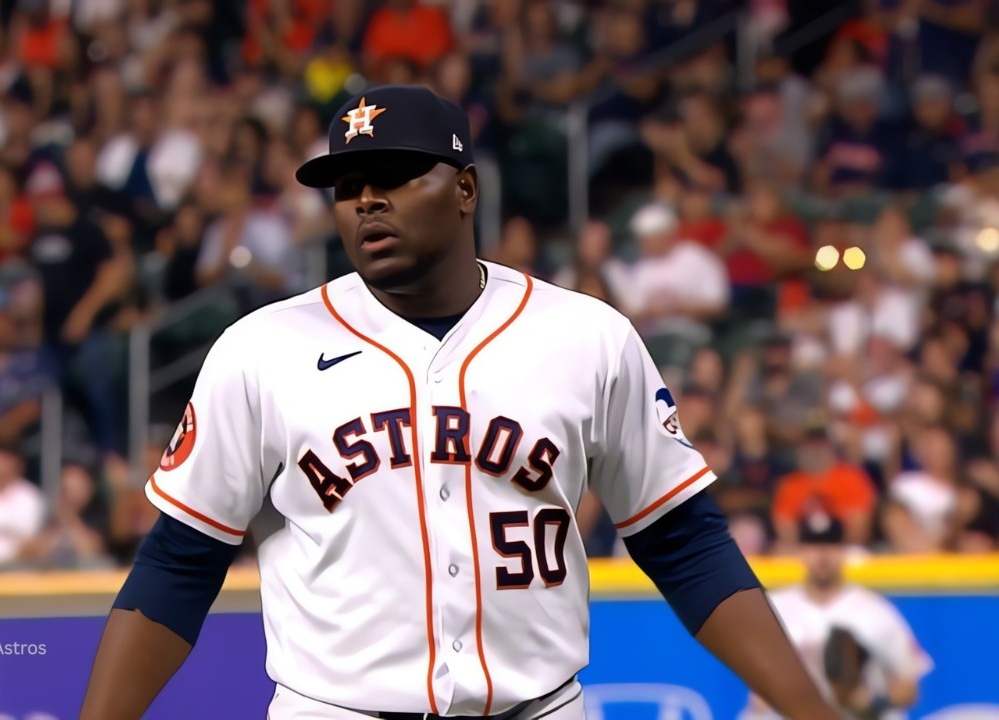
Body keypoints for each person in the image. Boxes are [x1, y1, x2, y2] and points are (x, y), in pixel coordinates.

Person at [82, 85, 838, 720]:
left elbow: (684, 541)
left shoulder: (587, 335)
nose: (367, 201)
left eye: (398, 175)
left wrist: (811, 712)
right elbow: (179, 564)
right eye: (349, 186)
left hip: (539, 705)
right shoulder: (261, 348)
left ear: (466, 188)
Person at [743, 513, 932, 719]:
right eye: (813, 545)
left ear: (844, 551)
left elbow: (909, 687)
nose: (822, 554)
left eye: (830, 544)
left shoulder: (875, 611)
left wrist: (874, 702)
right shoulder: (774, 608)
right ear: (800, 551)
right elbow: (758, 695)